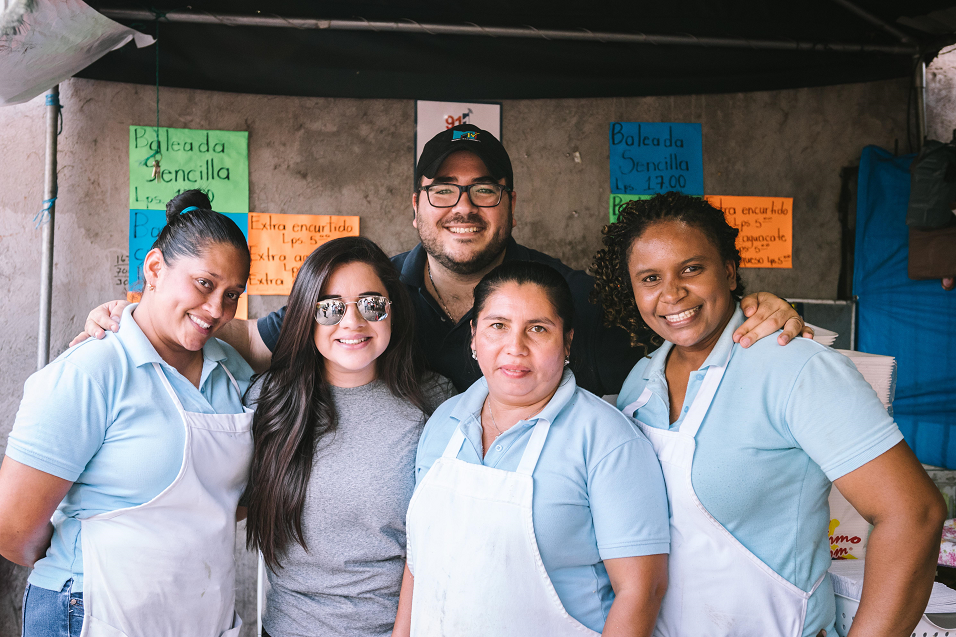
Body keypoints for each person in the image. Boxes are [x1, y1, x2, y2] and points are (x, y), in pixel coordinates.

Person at [73, 125, 810, 395]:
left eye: (483, 189)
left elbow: (679, 320)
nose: (464, 206)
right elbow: (246, 334)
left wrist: (757, 308)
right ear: (416, 204)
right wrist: (130, 315)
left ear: (511, 201)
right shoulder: (368, 293)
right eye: (443, 190)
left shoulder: (568, 295)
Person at [590, 192, 947, 637]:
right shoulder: (640, 384)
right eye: (649, 278)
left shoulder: (795, 367)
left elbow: (914, 514)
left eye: (692, 269)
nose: (672, 293)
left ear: (729, 269)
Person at [0, 192, 254, 637]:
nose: (217, 310)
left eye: (232, 294)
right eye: (204, 284)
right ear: (154, 269)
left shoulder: (233, 373)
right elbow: (12, 529)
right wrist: (89, 557)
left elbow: (222, 500)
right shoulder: (92, 371)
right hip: (93, 614)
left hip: (198, 617)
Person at [393, 261, 670, 637]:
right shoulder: (444, 422)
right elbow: (419, 563)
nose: (515, 348)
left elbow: (641, 590)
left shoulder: (608, 440)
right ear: (474, 336)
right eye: (498, 326)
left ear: (567, 341)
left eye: (537, 329)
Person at [244, 236, 454, 637]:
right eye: (330, 308)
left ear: (392, 309)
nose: (352, 322)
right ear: (307, 315)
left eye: (371, 304)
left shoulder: (436, 401)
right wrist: (127, 318)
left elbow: (440, 542)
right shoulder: (268, 400)